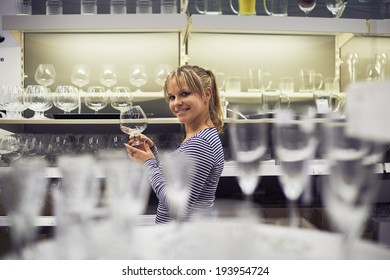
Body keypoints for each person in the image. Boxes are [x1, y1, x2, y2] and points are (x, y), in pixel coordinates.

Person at [125, 65, 225, 224]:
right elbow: (176, 182)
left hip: (186, 240)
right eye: (171, 97)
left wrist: (148, 163)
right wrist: (153, 153)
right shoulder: (200, 137)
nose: (176, 103)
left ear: (206, 94)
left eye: (184, 94)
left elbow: (177, 206)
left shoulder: (201, 142)